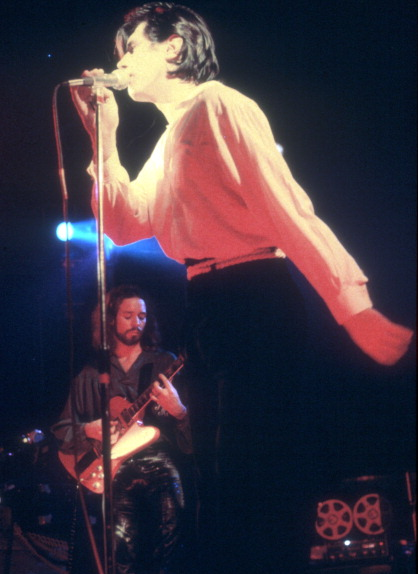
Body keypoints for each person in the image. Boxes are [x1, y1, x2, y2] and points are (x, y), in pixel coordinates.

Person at [68, 3, 414, 573]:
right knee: (218, 473)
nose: (121, 62)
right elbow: (126, 224)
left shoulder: (220, 105)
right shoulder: (172, 135)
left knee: (254, 472)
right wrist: (103, 143)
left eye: (130, 47)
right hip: (207, 302)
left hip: (254, 293)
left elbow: (287, 208)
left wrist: (356, 308)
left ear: (173, 47)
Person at [51, 284, 193, 574]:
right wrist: (90, 429)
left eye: (142, 316)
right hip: (114, 468)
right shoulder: (91, 375)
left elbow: (194, 433)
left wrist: (178, 409)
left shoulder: (164, 363)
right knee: (120, 548)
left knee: (169, 539)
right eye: (128, 315)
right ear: (110, 319)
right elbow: (62, 428)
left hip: (158, 462)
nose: (136, 322)